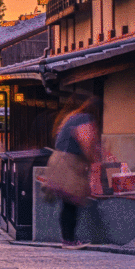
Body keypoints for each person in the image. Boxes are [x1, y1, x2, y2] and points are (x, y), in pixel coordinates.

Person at [50, 96, 101, 249]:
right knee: (71, 203)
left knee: (67, 203)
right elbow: (86, 143)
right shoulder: (85, 119)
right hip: (69, 164)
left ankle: (68, 239)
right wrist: (95, 162)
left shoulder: (72, 117)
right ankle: (69, 240)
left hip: (59, 161)